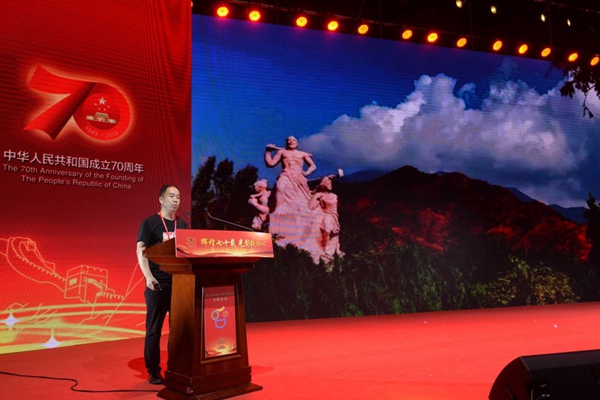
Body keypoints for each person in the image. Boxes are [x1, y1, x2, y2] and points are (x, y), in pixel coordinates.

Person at [136, 184, 188, 385]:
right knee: (154, 329)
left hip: (180, 285)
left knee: (179, 330)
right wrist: (149, 277)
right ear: (161, 199)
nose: (175, 200)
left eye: (178, 197)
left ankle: (177, 367)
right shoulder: (150, 223)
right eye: (171, 196)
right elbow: (141, 251)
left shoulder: (182, 225)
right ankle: (153, 370)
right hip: (157, 284)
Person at [264, 136, 316, 214]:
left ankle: (300, 211)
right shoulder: (282, 152)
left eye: (293, 140)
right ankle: (278, 209)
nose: (291, 142)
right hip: (286, 174)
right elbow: (270, 164)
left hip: (299, 177)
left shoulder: (303, 154)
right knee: (280, 187)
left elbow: (313, 166)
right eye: (289, 140)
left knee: (301, 195)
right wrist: (268, 152)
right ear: (286, 142)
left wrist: (306, 173)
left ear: (297, 143)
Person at [309, 176, 342, 265]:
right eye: (328, 183)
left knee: (334, 233)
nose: (330, 185)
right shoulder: (320, 195)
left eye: (330, 183)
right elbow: (311, 207)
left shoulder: (334, 195)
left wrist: (334, 176)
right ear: (323, 185)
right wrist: (315, 197)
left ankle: (333, 249)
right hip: (326, 215)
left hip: (334, 215)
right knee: (327, 230)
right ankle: (325, 249)